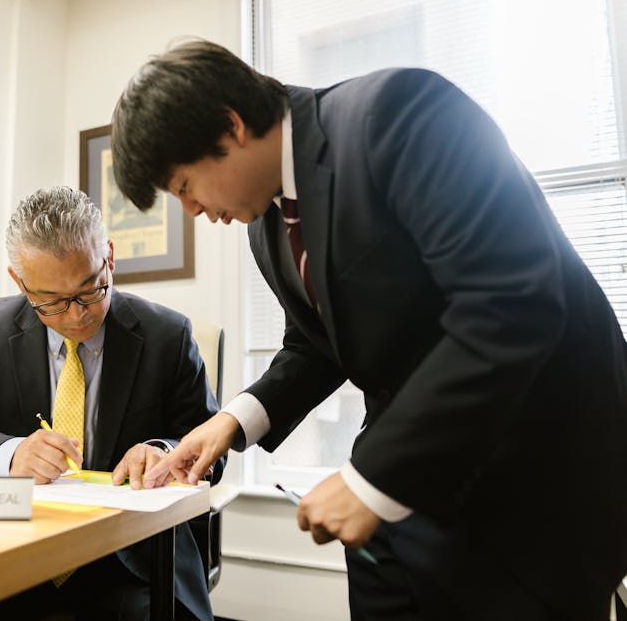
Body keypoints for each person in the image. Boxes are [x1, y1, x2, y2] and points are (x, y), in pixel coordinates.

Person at [110, 39, 627, 621]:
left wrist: (372, 478)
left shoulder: (399, 116)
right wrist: (231, 423)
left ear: (230, 128)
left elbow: (510, 304)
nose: (195, 211)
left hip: (534, 472)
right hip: (405, 497)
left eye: (184, 187)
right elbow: (313, 346)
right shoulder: (267, 227)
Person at [0, 185, 223, 621]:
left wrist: (164, 452)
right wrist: (10, 454)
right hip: (13, 557)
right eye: (51, 302)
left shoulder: (169, 335)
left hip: (131, 566)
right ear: (19, 281)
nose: (77, 315)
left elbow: (210, 449)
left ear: (109, 256)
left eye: (91, 290)